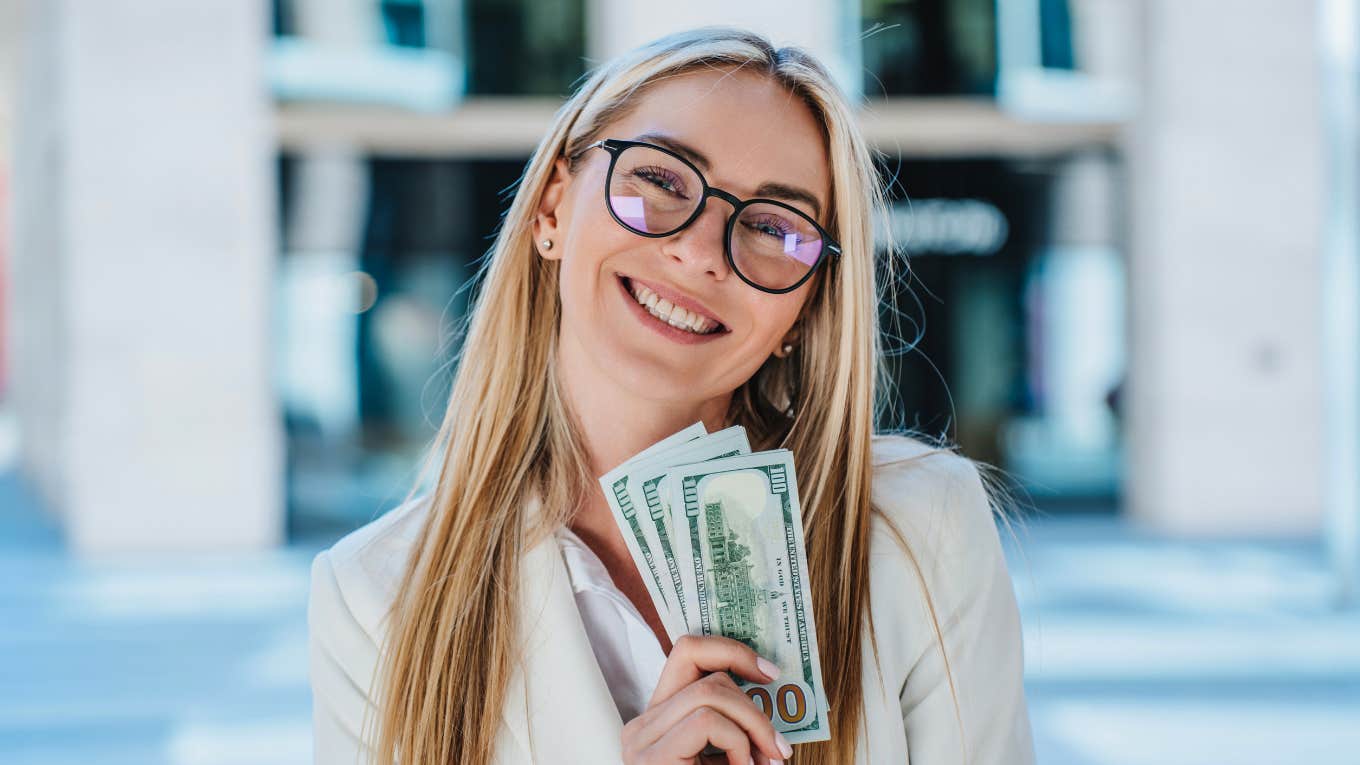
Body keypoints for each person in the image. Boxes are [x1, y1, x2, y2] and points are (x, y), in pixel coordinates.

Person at [307, 26, 1034, 765]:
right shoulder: (375, 598)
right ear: (553, 206)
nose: (700, 252)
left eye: (774, 227)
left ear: (805, 310)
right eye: (659, 180)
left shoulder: (923, 531)